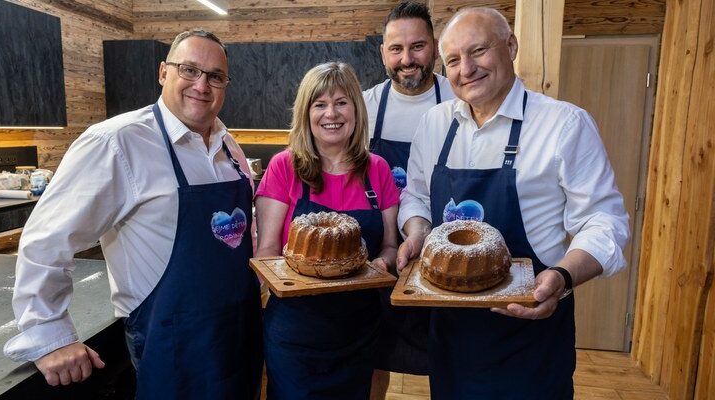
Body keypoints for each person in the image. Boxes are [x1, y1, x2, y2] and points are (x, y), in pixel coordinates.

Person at [3, 30, 263, 399]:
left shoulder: (228, 146)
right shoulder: (116, 142)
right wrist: (48, 333)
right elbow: (47, 238)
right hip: (172, 343)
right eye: (189, 70)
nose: (202, 85)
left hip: (238, 334)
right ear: (163, 72)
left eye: (215, 76)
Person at [396, 7, 631, 399]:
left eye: (478, 51)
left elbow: (605, 221)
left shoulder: (563, 125)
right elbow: (416, 195)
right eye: (453, 60)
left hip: (530, 338)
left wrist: (562, 276)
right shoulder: (434, 124)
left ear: (511, 46)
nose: (466, 69)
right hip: (451, 337)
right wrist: (417, 231)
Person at [254, 61, 400, 399]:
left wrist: (383, 263)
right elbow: (267, 252)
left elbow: (390, 246)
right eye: (319, 104)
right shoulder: (284, 167)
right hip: (296, 334)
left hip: (360, 330)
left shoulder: (377, 170)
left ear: (356, 109)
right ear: (306, 113)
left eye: (341, 102)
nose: (331, 113)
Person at [361, 2, 455, 397]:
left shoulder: (458, 99)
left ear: (434, 47)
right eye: (396, 49)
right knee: (373, 359)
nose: (407, 59)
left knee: (449, 359)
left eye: (417, 47)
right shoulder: (364, 106)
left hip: (444, 255)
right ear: (383, 52)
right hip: (379, 257)